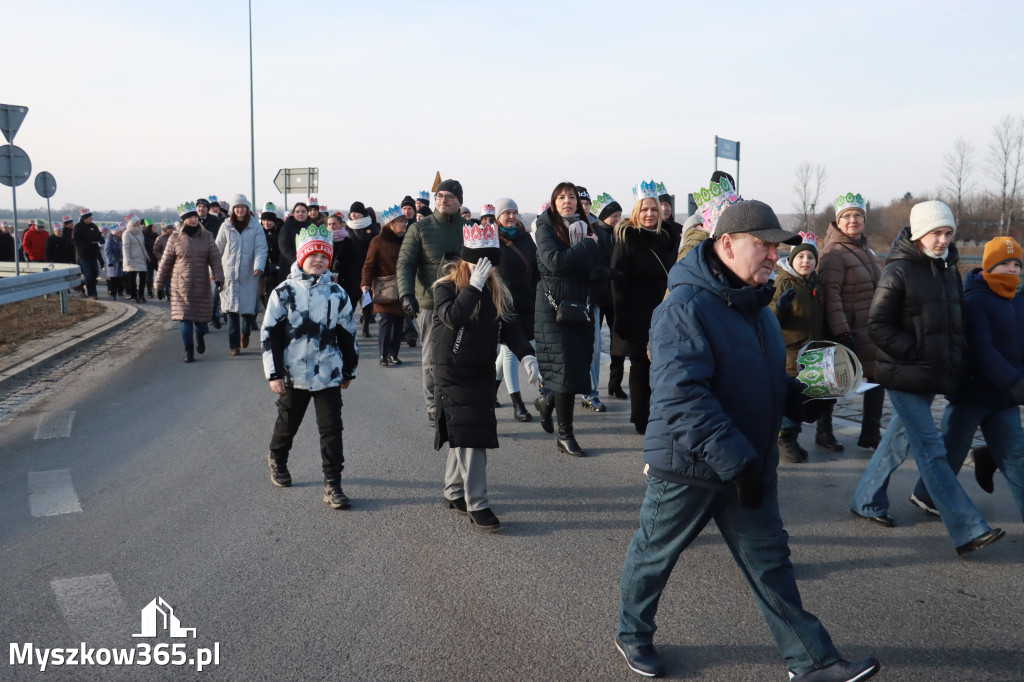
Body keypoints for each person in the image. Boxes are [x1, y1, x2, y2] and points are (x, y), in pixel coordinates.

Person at [616, 199, 880, 682]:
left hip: (747, 464)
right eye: (763, 246)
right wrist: (738, 462)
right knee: (655, 554)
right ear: (726, 244)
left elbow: (765, 380)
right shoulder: (683, 308)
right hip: (689, 467)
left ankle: (812, 662)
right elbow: (682, 399)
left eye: (777, 248)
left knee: (771, 565)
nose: (773, 257)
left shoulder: (759, 307)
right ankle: (632, 633)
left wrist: (809, 398)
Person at [851, 200, 1005, 556]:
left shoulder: (948, 269)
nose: (943, 240)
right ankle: (968, 528)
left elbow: (954, 325)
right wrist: (915, 352)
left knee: (897, 441)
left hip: (931, 376)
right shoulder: (898, 271)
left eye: (948, 233)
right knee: (931, 450)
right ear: (919, 233)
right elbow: (877, 326)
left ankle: (865, 499)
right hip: (905, 376)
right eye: (936, 232)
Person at [907, 235, 1024, 521]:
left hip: (1004, 399)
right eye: (1004, 264)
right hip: (972, 393)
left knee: (1017, 458)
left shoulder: (1018, 300)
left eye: (1016, 264)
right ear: (989, 266)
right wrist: (1014, 382)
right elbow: (982, 349)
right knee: (951, 451)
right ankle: (925, 495)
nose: (1011, 270)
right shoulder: (975, 299)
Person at [432, 223, 540, 532]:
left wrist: (526, 354)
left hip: (478, 369)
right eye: (479, 261)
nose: (486, 268)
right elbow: (453, 317)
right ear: (466, 259)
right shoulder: (445, 286)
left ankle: (454, 492)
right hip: (451, 369)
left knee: (467, 429)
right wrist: (474, 285)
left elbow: (509, 325)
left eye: (491, 262)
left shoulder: (495, 288)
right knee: (473, 436)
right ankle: (477, 503)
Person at [262, 224, 359, 510]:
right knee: (288, 423)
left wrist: (349, 368)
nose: (318, 261)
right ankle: (277, 457)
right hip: (293, 374)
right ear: (301, 257)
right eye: (313, 255)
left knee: (332, 429)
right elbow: (270, 334)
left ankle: (333, 484)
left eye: (324, 257)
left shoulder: (337, 293)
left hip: (328, 372)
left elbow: (347, 333)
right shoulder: (284, 292)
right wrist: (274, 373)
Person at [532, 182, 600, 457]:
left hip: (579, 304)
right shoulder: (545, 227)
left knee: (574, 365)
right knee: (564, 368)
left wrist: (604, 273)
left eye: (571, 197)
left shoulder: (586, 229)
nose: (567, 201)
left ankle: (548, 400)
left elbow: (588, 267)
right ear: (553, 202)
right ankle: (565, 434)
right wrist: (587, 247)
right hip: (552, 306)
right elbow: (555, 262)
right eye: (561, 197)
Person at [397, 179, 467, 427]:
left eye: (449, 196)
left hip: (464, 303)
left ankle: (457, 403)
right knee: (431, 357)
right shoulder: (420, 229)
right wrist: (406, 295)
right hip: (429, 304)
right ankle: (433, 406)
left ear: (460, 200)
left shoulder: (469, 228)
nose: (443, 200)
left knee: (462, 355)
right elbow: (405, 263)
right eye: (439, 196)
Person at [818, 193, 884, 450]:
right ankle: (824, 432)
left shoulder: (866, 249)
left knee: (877, 379)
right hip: (849, 328)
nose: (853, 220)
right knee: (833, 382)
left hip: (871, 328)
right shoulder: (834, 252)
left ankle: (871, 433)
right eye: (846, 216)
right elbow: (831, 295)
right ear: (838, 221)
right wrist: (842, 332)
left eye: (858, 215)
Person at [610, 182, 674, 434]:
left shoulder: (667, 237)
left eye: (654, 209)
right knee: (640, 366)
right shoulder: (626, 239)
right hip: (637, 313)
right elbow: (618, 283)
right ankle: (641, 418)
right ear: (637, 211)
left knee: (662, 366)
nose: (650, 214)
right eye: (645, 209)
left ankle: (659, 412)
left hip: (664, 311)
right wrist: (621, 320)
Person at [770, 232, 826, 463]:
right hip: (790, 354)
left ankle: (793, 438)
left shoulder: (816, 283)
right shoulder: (783, 282)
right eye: (800, 256)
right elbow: (770, 317)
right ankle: (785, 440)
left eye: (810, 257)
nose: (805, 261)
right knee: (790, 399)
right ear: (792, 259)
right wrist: (780, 307)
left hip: (812, 353)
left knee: (805, 398)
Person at [155, 201, 225, 363]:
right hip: (180, 285)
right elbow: (165, 262)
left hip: (201, 284)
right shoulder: (175, 238)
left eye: (194, 216)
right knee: (184, 318)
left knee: (201, 321)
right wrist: (159, 284)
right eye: (189, 217)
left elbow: (215, 259)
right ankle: (189, 350)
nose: (193, 219)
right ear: (183, 219)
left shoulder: (206, 236)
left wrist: (219, 278)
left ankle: (199, 335)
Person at [493, 197, 539, 421]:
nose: (511, 217)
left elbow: (535, 267)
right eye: (506, 213)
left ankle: (490, 390)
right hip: (504, 304)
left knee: (507, 352)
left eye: (514, 212)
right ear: (498, 217)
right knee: (510, 353)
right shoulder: (492, 240)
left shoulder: (525, 239)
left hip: (527, 302)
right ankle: (517, 403)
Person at [216, 194, 268, 355]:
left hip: (248, 275)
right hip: (229, 275)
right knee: (231, 313)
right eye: (237, 207)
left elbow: (261, 248)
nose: (240, 210)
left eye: (243, 207)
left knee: (246, 314)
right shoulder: (226, 226)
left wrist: (258, 266)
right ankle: (234, 346)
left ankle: (245, 333)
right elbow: (217, 249)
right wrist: (214, 271)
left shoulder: (255, 226)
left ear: (247, 209)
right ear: (233, 209)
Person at [580, 189, 614, 414]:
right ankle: (552, 389)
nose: (583, 206)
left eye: (586, 203)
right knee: (561, 346)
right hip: (564, 297)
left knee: (594, 346)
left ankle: (590, 392)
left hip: (592, 297)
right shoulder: (557, 227)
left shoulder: (599, 230)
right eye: (578, 201)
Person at [361, 205, 408, 367]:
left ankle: (393, 354)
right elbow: (369, 265)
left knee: (399, 322)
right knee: (387, 321)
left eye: (405, 221)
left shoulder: (408, 240)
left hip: (403, 287)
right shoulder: (378, 241)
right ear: (390, 224)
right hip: (384, 286)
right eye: (400, 221)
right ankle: (383, 354)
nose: (404, 224)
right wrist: (366, 284)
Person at [591, 193, 627, 400]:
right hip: (599, 295)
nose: (618, 219)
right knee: (594, 343)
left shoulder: (621, 234)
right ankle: (591, 386)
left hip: (617, 296)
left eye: (620, 215)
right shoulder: (595, 234)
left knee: (619, 340)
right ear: (604, 216)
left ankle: (615, 383)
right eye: (614, 215)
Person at [347, 201, 380, 339]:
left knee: (366, 298)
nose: (354, 215)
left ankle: (366, 325)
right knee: (351, 299)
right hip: (351, 269)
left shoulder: (371, 228)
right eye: (352, 212)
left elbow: (377, 246)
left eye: (357, 212)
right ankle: (348, 326)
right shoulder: (346, 228)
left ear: (363, 213)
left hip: (367, 268)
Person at [258, 203, 283, 309]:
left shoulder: (281, 232)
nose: (266, 223)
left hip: (276, 271)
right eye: (264, 220)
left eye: (269, 220)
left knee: (272, 300)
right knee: (261, 296)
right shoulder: (259, 232)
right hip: (262, 271)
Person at [121, 215, 150, 303]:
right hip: (132, 259)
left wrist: (147, 256)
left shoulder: (140, 232)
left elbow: (143, 245)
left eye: (138, 222)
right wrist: (127, 259)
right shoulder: (127, 233)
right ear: (132, 223)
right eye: (136, 222)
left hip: (141, 258)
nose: (138, 223)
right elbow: (126, 247)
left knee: (143, 277)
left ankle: (141, 295)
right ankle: (133, 295)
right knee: (132, 278)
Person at [277, 202, 313, 273]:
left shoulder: (311, 227)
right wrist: (298, 259)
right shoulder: (287, 227)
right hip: (290, 265)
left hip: (308, 265)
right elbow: (284, 247)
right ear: (293, 213)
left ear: (307, 213)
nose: (300, 214)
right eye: (297, 211)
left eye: (303, 211)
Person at [656, 181, 683, 255]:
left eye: (667, 204)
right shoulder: (651, 230)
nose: (664, 208)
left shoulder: (680, 229)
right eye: (661, 205)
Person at [153, 223, 176, 300]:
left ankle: (169, 292)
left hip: (173, 261)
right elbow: (156, 250)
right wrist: (162, 257)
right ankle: (164, 291)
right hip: (164, 261)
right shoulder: (160, 238)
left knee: (171, 277)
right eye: (171, 229)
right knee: (164, 277)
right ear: (167, 229)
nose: (173, 230)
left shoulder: (174, 238)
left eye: (173, 228)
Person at [104, 225, 125, 299]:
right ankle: (113, 294)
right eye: (120, 232)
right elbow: (107, 251)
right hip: (113, 262)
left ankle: (120, 292)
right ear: (115, 233)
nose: (121, 232)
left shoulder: (120, 239)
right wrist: (110, 261)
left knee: (120, 278)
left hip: (120, 262)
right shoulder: (109, 240)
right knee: (113, 279)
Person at [142, 220, 158, 297]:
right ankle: (149, 291)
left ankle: (161, 289)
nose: (155, 228)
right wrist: (150, 258)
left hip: (156, 258)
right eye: (153, 226)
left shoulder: (156, 235)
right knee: (149, 275)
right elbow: (146, 249)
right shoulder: (144, 236)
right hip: (148, 259)